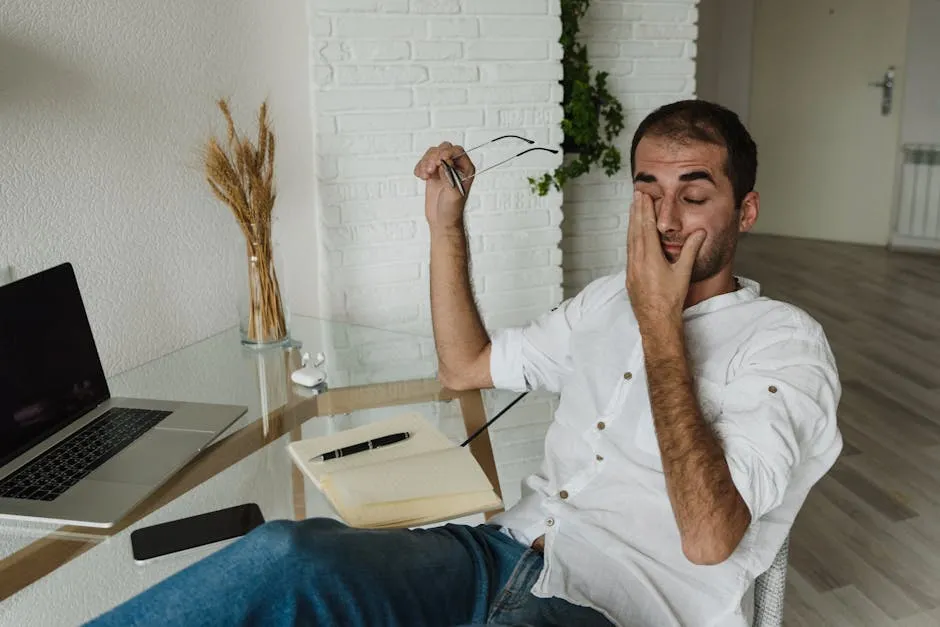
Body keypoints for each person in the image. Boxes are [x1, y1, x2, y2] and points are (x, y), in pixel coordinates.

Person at [85, 100, 842, 627]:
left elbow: (710, 539)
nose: (666, 220)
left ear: (744, 210)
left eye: (693, 194)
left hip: (616, 606)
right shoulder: (607, 302)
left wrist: (660, 327)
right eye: (648, 192)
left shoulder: (784, 344)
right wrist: (447, 226)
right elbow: (465, 365)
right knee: (285, 552)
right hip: (498, 552)